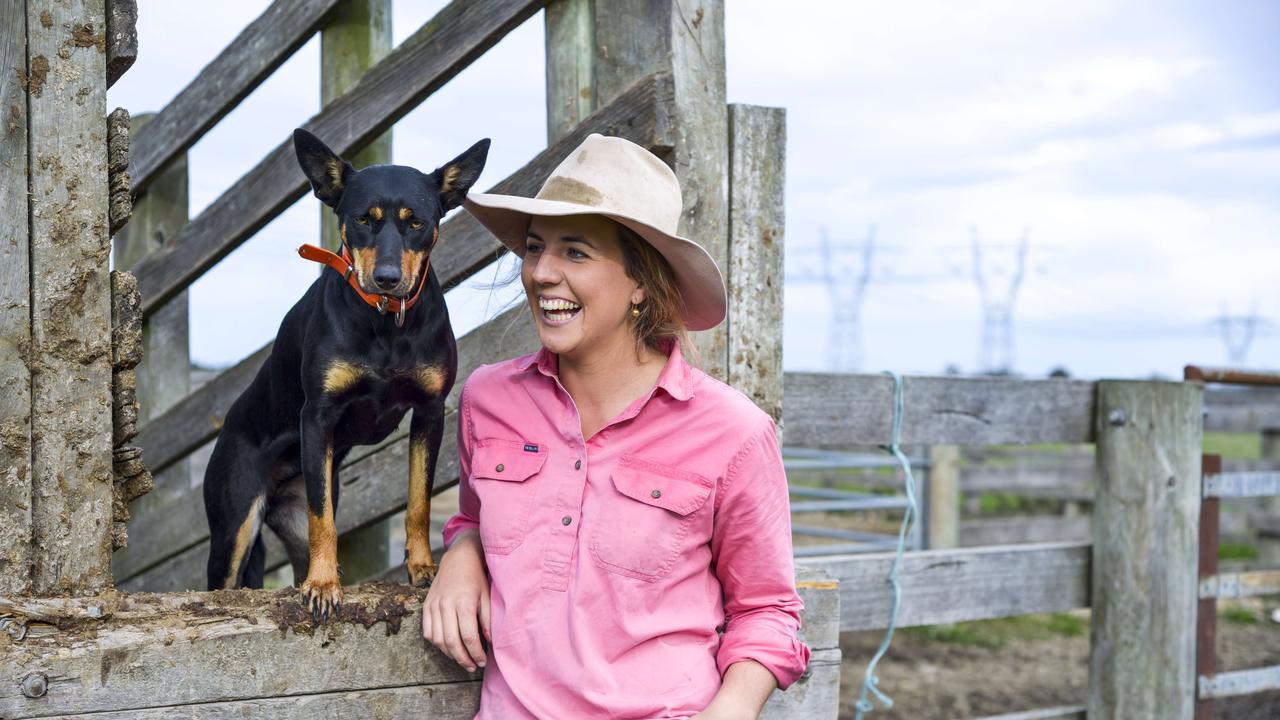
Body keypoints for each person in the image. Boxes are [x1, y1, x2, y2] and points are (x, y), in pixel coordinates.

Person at [422, 133, 809, 719]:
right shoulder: (488, 398)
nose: (541, 273)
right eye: (534, 248)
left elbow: (767, 609)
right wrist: (462, 551)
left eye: (575, 253)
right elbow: (477, 517)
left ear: (640, 285)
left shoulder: (733, 432)